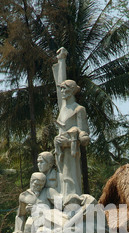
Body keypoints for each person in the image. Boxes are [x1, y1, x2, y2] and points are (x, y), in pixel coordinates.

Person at [52, 47, 90, 199]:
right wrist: (61, 60)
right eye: (61, 89)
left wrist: (73, 137)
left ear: (72, 90)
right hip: (60, 151)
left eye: (65, 89)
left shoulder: (79, 109)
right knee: (61, 177)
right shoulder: (63, 107)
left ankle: (73, 199)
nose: (62, 91)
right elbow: (59, 82)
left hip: (72, 151)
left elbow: (85, 136)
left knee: (71, 177)